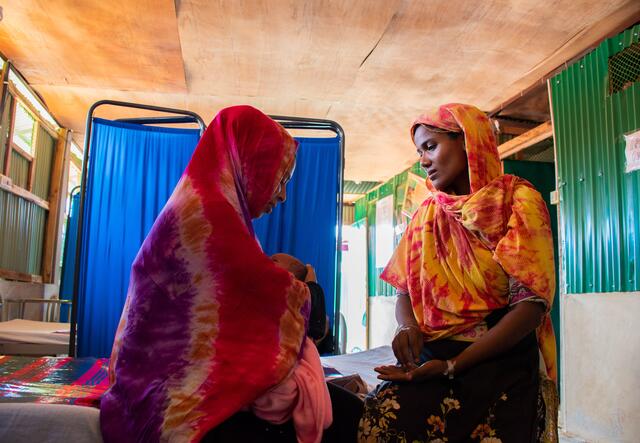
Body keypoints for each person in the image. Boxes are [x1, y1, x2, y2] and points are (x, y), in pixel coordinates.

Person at [100, 106, 332, 443]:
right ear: (251, 163)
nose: (281, 195)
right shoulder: (208, 218)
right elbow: (290, 309)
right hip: (166, 404)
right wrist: (308, 282)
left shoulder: (209, 208)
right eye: (279, 180)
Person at [358, 103, 558, 442]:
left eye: (431, 146)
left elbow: (530, 305)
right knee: (381, 423)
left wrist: (456, 366)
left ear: (468, 141)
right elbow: (404, 289)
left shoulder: (517, 201)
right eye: (420, 151)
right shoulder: (426, 214)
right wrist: (408, 326)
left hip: (499, 362)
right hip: (431, 359)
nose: (423, 161)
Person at [271, 253, 329, 345]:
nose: (267, 261)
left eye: (274, 261)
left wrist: (311, 282)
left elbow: (311, 299)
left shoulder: (289, 294)